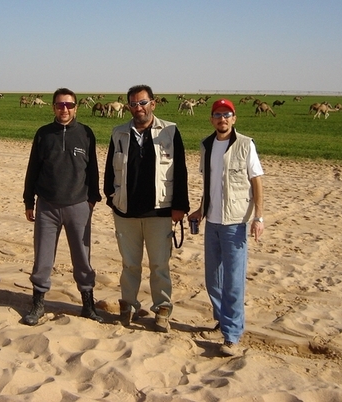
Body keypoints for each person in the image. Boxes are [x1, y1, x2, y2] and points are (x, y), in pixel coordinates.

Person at [104, 84, 189, 332]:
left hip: (159, 211)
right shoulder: (119, 132)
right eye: (133, 104)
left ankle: (162, 310)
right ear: (128, 106)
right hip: (126, 211)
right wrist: (112, 198)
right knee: (130, 264)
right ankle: (128, 307)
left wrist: (180, 206)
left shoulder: (170, 131)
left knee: (159, 265)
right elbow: (110, 169)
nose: (138, 108)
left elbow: (180, 170)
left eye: (143, 103)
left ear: (153, 103)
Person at [188, 98, 264, 357]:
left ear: (234, 119)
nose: (222, 119)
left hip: (235, 223)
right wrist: (200, 208)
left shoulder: (245, 144)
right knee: (213, 279)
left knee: (233, 282)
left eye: (227, 114)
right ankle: (221, 320)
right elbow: (210, 183)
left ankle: (231, 335)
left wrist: (259, 217)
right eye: (218, 114)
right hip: (213, 221)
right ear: (211, 119)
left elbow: (257, 182)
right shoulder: (206, 145)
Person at [22, 88, 103, 325]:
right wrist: (29, 200)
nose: (64, 109)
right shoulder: (44, 134)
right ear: (53, 107)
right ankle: (37, 305)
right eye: (60, 105)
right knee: (43, 258)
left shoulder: (86, 134)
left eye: (69, 105)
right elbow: (32, 169)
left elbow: (93, 169)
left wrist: (92, 199)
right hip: (47, 206)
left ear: (76, 107)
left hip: (79, 205)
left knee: (82, 258)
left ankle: (88, 305)